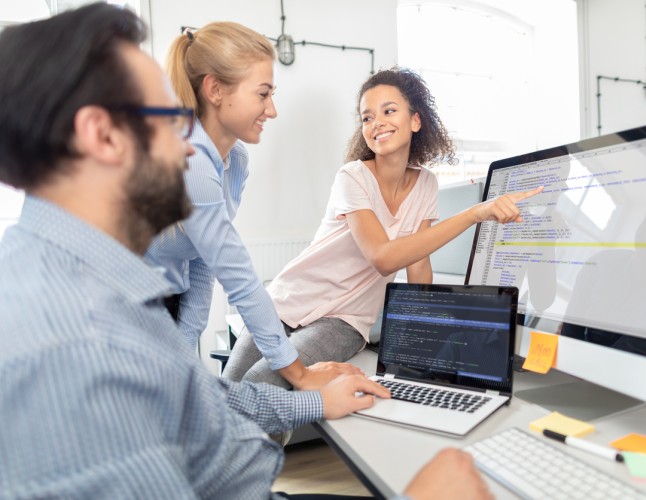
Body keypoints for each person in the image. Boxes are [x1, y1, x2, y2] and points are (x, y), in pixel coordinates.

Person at [0, 5, 493, 499]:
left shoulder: (105, 294)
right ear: (102, 136)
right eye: (172, 119)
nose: (190, 148)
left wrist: (314, 400)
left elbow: (202, 400)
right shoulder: (73, 343)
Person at [224, 67, 543, 386]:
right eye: (367, 117)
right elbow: (383, 258)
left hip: (345, 320)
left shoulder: (426, 184)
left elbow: (418, 262)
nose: (377, 123)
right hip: (287, 299)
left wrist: (424, 336)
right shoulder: (352, 177)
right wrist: (474, 213)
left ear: (415, 120)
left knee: (263, 380)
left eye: (389, 111)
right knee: (229, 390)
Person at [144, 21, 357, 390]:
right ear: (214, 89)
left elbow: (203, 261)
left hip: (166, 302)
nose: (272, 110)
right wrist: (299, 373)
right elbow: (239, 277)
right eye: (262, 94)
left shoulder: (235, 161)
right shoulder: (189, 161)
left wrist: (182, 347)